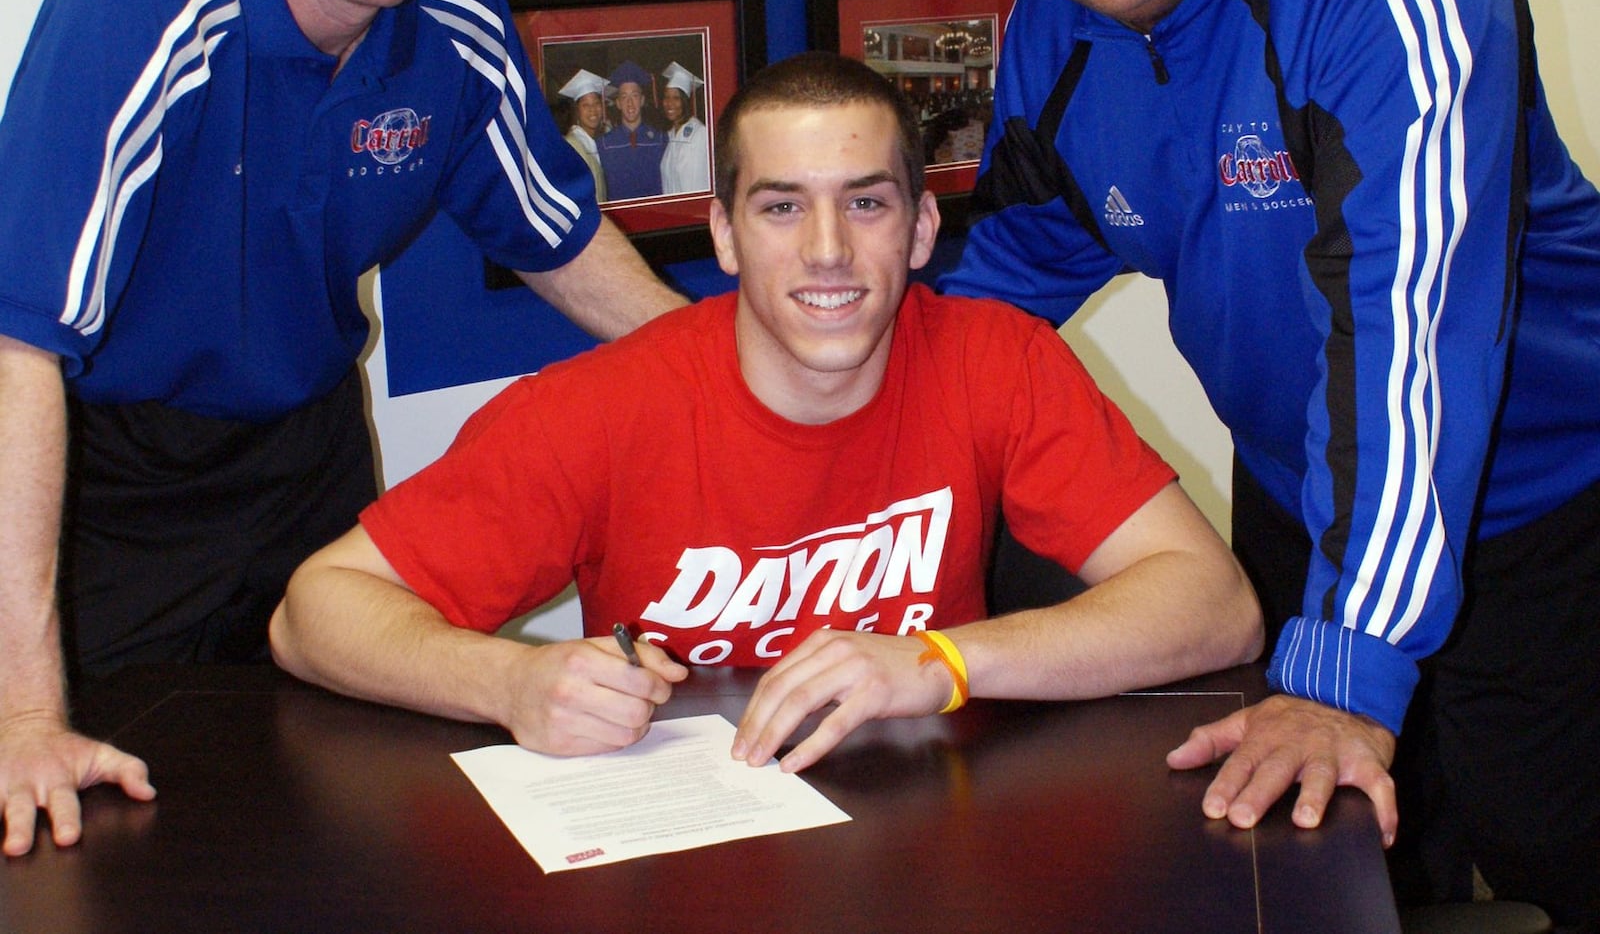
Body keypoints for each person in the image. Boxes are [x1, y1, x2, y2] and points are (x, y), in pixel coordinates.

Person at [0, 0, 684, 858]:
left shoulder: (456, 2)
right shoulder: (136, 2)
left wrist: (752, 379)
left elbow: (562, 241)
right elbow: (17, 353)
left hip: (307, 453)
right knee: (116, 839)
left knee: (342, 811)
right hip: (110, 482)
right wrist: (23, 712)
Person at [947, 0, 1600, 930]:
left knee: (1547, 846)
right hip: (1309, 483)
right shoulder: (1052, 29)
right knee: (1344, 865)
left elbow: (1409, 334)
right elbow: (1010, 269)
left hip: (1540, 493)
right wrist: (802, 365)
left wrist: (1346, 672)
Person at [269, 51, 1262, 775]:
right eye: (781, 207)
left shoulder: (998, 362)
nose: (827, 250)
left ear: (920, 228)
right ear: (725, 234)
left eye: (866, 204)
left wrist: (943, 662)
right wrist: (508, 683)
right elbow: (314, 613)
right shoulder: (600, 407)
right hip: (686, 843)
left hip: (933, 829)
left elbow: (1215, 607)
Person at [596, 59, 665, 200]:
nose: (630, 103)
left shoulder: (660, 140)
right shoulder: (604, 144)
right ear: (618, 103)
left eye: (635, 96)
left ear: (643, 100)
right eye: (624, 97)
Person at [658, 60, 710, 196]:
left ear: (685, 101)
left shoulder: (699, 134)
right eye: (666, 97)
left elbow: (698, 186)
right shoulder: (670, 136)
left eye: (676, 98)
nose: (669, 104)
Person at [557, 68, 609, 201]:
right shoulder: (571, 145)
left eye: (596, 103)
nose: (593, 110)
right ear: (577, 111)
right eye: (585, 105)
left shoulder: (596, 142)